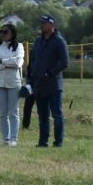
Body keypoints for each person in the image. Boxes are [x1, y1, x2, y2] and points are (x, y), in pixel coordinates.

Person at [27, 14, 69, 148]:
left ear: (52, 25)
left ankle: (58, 142)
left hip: (54, 85)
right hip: (39, 84)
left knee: (57, 114)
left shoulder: (59, 41)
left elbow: (65, 62)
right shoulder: (38, 41)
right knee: (42, 115)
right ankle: (42, 142)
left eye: (44, 23)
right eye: (41, 23)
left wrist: (50, 73)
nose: (41, 26)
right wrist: (30, 77)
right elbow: (32, 60)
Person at [0, 23, 24, 146]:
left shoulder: (19, 46)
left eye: (5, 32)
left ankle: (14, 138)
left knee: (13, 112)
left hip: (14, 83)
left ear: (12, 34)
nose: (3, 34)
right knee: (3, 112)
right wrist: (7, 64)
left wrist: (1, 61)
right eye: (1, 32)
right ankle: (6, 138)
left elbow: (18, 62)